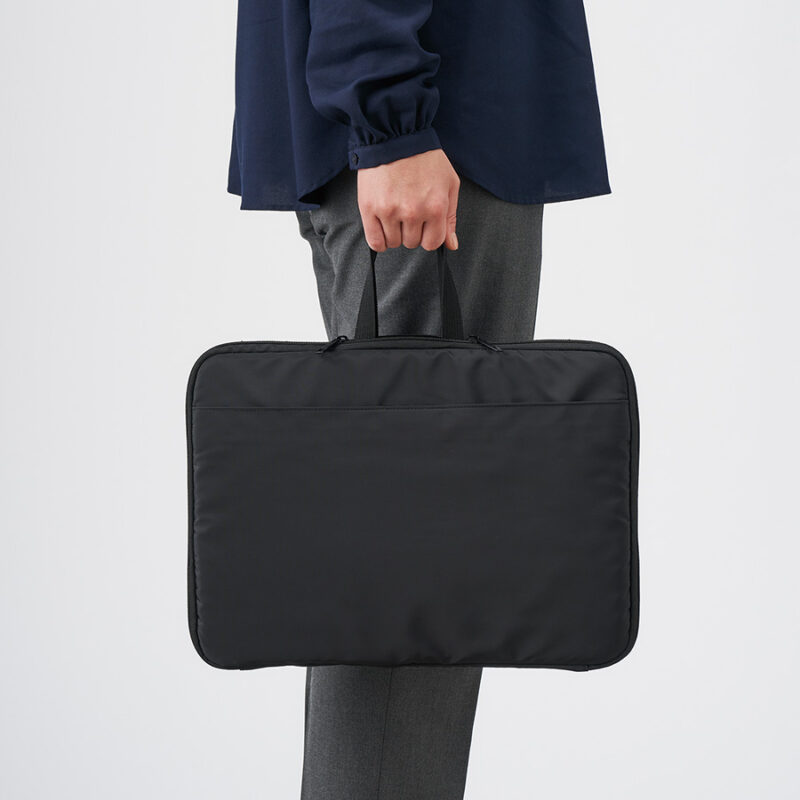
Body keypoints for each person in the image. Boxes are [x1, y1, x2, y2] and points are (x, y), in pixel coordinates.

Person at [227, 2, 610, 797]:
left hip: (429, 127)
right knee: (416, 583)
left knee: (413, 572)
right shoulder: (404, 124)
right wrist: (390, 119)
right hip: (437, 135)